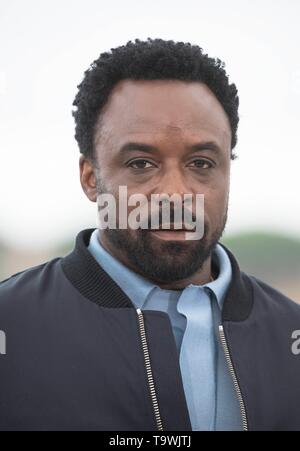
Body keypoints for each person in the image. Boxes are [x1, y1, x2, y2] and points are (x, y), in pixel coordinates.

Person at [0, 38, 299, 431]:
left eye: (202, 163)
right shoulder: (12, 326)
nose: (175, 193)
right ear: (90, 177)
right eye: (141, 163)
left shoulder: (290, 335)